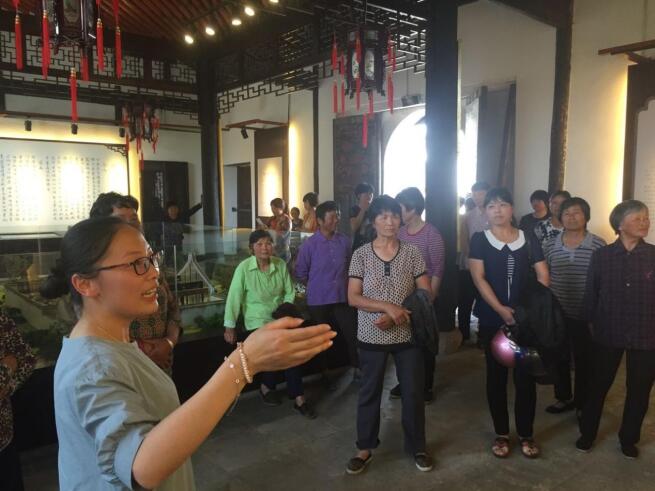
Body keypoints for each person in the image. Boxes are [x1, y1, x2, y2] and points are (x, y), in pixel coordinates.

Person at [40, 217, 335, 490]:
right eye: (137, 264)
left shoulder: (114, 346)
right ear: (85, 284)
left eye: (152, 259)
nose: (154, 272)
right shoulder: (93, 366)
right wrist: (244, 363)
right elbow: (141, 467)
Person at [346, 195, 433, 475]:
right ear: (373, 221)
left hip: (407, 334)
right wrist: (386, 307)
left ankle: (417, 446)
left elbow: (425, 292)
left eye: (394, 215)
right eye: (383, 216)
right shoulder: (361, 254)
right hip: (370, 334)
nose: (390, 222)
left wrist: (399, 313)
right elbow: (353, 297)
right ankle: (364, 447)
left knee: (412, 391)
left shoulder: (412, 253)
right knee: (369, 391)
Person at [468, 187, 550, 459]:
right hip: (493, 319)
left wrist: (530, 309)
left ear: (512, 208)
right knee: (496, 377)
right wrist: (501, 310)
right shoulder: (480, 239)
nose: (498, 210)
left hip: (525, 321)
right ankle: (502, 433)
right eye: (492, 206)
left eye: (503, 204)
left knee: (526, 377)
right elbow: (478, 278)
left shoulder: (528, 237)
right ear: (485, 211)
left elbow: (543, 275)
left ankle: (526, 433)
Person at [576, 200, 655, 459]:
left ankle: (628, 438)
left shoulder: (653, 255)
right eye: (637, 218)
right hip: (608, 330)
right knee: (597, 386)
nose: (644, 222)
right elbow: (591, 294)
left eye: (646, 218)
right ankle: (587, 433)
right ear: (620, 225)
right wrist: (589, 325)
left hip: (646, 332)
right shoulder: (602, 256)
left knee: (639, 391)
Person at [223, 230, 316, 418]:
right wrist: (229, 326)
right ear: (252, 248)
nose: (264, 248)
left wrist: (284, 310)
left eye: (268, 243)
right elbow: (234, 297)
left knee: (291, 354)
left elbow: (289, 292)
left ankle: (297, 397)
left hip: (279, 318)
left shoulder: (280, 264)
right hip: (256, 320)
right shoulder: (243, 268)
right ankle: (269, 387)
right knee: (275, 353)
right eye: (259, 244)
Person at [89, 193, 182, 372]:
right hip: (120, 364)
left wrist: (169, 342)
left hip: (162, 360)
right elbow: (95, 321)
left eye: (134, 219)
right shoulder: (101, 272)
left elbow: (173, 306)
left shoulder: (150, 262)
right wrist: (142, 349)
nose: (130, 226)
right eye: (120, 220)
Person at [543, 197, 605, 415]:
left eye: (576, 212)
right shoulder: (550, 244)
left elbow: (603, 281)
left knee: (583, 360)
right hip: (557, 313)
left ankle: (581, 402)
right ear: (560, 218)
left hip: (585, 314)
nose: (571, 217)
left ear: (586, 216)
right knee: (559, 357)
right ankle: (563, 397)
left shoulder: (598, 245)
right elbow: (544, 276)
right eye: (566, 213)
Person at [389, 187, 445, 403]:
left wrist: (430, 297)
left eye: (400, 209)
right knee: (403, 341)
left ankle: (426, 386)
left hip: (423, 297)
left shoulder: (432, 234)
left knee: (424, 343)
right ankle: (404, 382)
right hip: (402, 296)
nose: (396, 214)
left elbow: (437, 268)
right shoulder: (400, 233)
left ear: (412, 209)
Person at [295, 201, 359, 383]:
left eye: (337, 216)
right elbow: (301, 272)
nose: (336, 220)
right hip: (318, 299)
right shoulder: (309, 245)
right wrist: (317, 285)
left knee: (351, 333)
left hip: (342, 297)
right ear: (320, 221)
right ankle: (325, 373)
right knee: (320, 338)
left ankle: (357, 367)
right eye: (331, 217)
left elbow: (350, 267)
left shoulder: (345, 241)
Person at [0, 312, 36, 491]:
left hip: (4, 437)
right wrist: (7, 367)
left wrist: (7, 387)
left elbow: (26, 358)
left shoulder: (1, 320)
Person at [458, 181, 490, 342]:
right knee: (465, 300)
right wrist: (469, 258)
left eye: (481, 194)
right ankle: (463, 333)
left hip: (490, 266)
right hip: (469, 264)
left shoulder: (494, 214)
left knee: (486, 301)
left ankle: (483, 335)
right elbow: (464, 240)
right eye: (475, 194)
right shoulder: (469, 216)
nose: (478, 198)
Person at [263, 198, 292, 263]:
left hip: (281, 249)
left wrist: (269, 230)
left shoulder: (285, 219)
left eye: (275, 208)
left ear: (281, 208)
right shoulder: (272, 218)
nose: (273, 210)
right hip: (272, 247)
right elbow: (267, 228)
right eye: (272, 208)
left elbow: (281, 235)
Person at [349, 182, 375, 251]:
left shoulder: (374, 209)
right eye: (367, 193)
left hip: (373, 243)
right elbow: (354, 227)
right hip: (359, 244)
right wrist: (363, 209)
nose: (370, 196)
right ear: (359, 196)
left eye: (371, 194)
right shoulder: (354, 209)